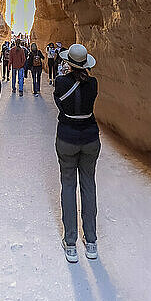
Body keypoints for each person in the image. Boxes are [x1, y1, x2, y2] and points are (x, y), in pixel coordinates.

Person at [53, 43, 100, 263]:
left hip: (67, 139)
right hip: (90, 139)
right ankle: (91, 241)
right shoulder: (93, 84)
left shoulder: (62, 82)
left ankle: (70, 243)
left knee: (69, 186)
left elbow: (60, 104)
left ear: (68, 63)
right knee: (88, 186)